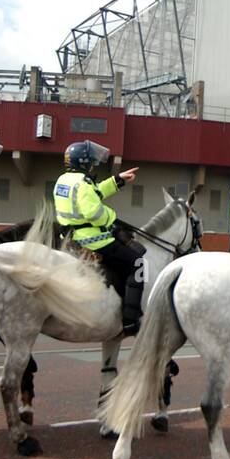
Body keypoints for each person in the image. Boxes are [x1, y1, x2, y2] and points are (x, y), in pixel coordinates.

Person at [55, 140, 145, 335]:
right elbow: (93, 212)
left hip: (71, 235)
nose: (94, 165)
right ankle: (131, 319)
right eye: (92, 162)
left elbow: (94, 193)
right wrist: (111, 218)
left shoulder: (64, 180)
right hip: (92, 239)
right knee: (136, 261)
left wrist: (117, 180)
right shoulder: (83, 184)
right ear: (85, 163)